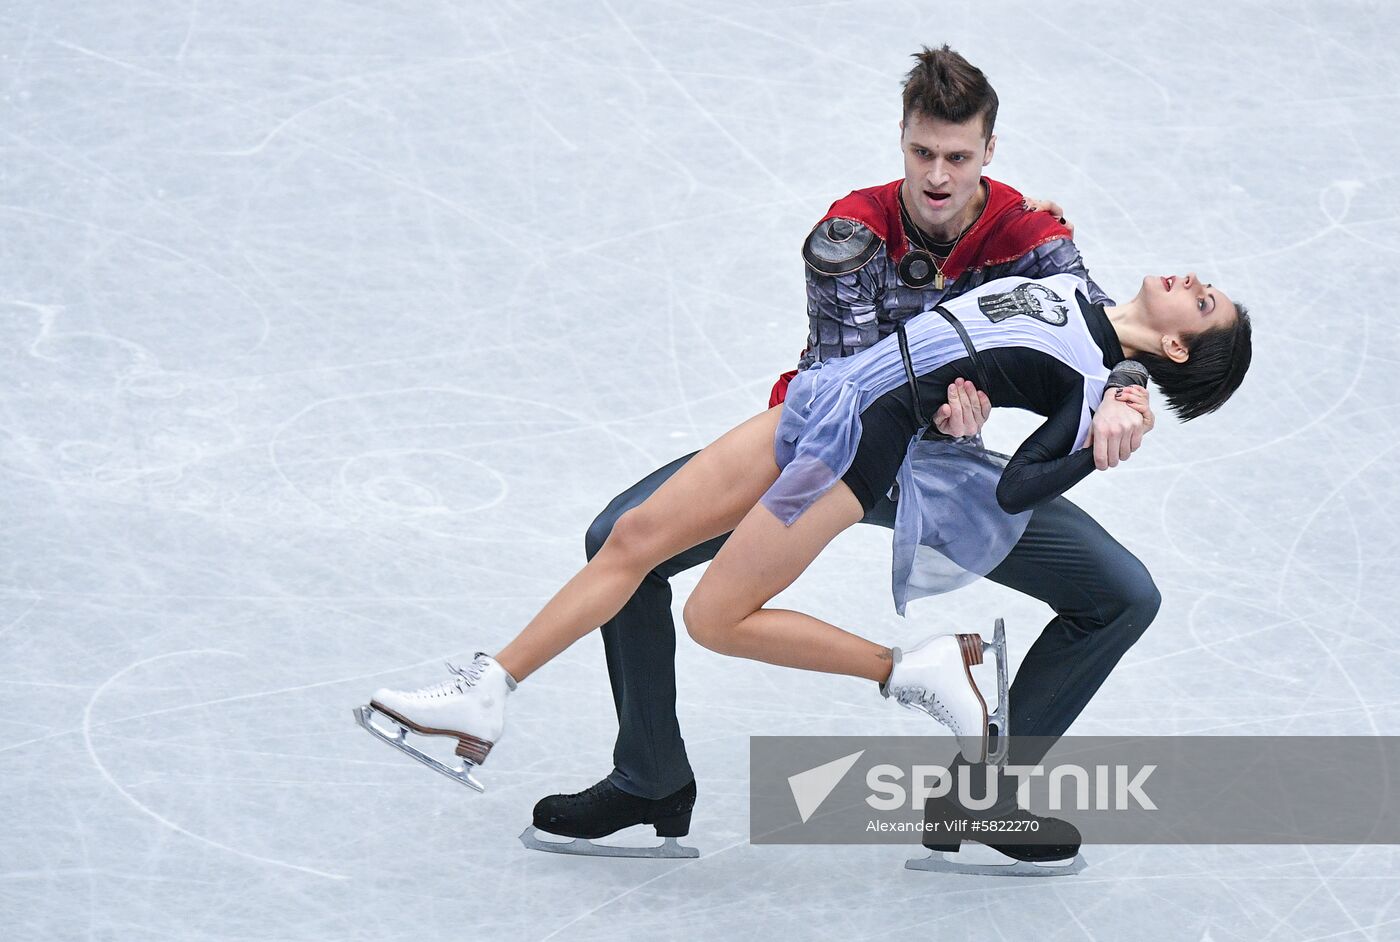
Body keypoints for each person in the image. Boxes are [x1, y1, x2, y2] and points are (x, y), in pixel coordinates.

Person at [358, 269, 1254, 862]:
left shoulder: (1096, 383)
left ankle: (916, 671)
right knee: (633, 538)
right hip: (828, 394)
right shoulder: (1076, 283)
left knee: (713, 617)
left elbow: (1019, 485)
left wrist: (1100, 441)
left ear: (1176, 349)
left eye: (1205, 304)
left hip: (862, 442)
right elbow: (1045, 242)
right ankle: (489, 689)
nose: (1196, 282)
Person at [520, 45, 1158, 854]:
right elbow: (854, 378)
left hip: (939, 476)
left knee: (1122, 594)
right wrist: (951, 414)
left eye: (958, 158)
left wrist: (1130, 390)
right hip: (827, 454)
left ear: (989, 153)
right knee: (619, 540)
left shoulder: (1030, 231)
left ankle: (985, 796)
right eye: (923, 152)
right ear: (901, 138)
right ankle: (651, 775)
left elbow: (1106, 322)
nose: (937, 175)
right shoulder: (850, 227)